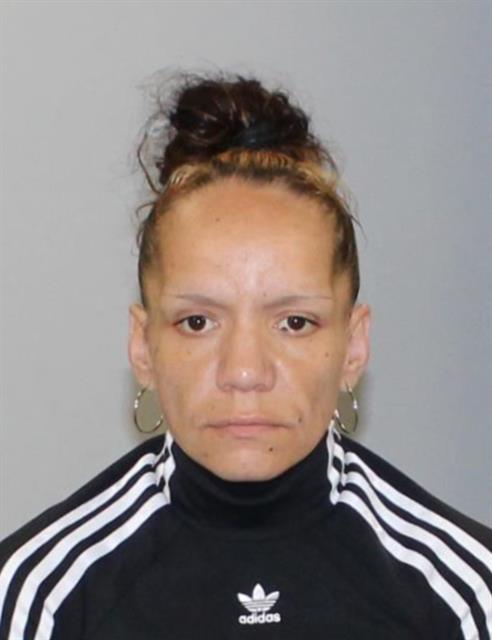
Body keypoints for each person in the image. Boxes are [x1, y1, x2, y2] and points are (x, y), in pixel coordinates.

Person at [0, 72, 491, 640]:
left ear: (354, 346)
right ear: (143, 346)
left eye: (294, 323)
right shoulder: (37, 601)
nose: (244, 372)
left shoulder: (467, 599)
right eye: (198, 322)